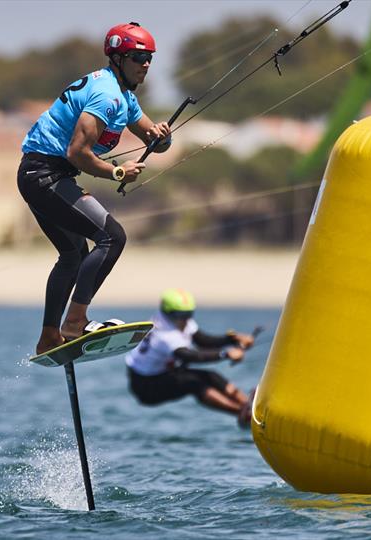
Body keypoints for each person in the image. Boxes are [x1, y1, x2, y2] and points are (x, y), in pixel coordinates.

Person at [17, 22, 172, 355]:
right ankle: (74, 322)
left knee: (73, 255)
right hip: (44, 175)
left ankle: (49, 336)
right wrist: (116, 171)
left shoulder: (125, 97)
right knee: (112, 236)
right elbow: (77, 153)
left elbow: (153, 141)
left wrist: (162, 135)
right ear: (116, 58)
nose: (145, 65)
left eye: (149, 59)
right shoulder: (106, 94)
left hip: (43, 176)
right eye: (137, 58)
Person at [125, 288, 257, 426]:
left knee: (211, 376)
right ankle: (243, 413)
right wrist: (225, 354)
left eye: (189, 314)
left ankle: (248, 405)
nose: (185, 320)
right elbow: (191, 356)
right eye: (180, 315)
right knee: (194, 383)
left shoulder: (177, 319)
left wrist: (234, 339)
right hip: (145, 386)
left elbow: (202, 341)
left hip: (163, 373)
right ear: (168, 313)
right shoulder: (164, 334)